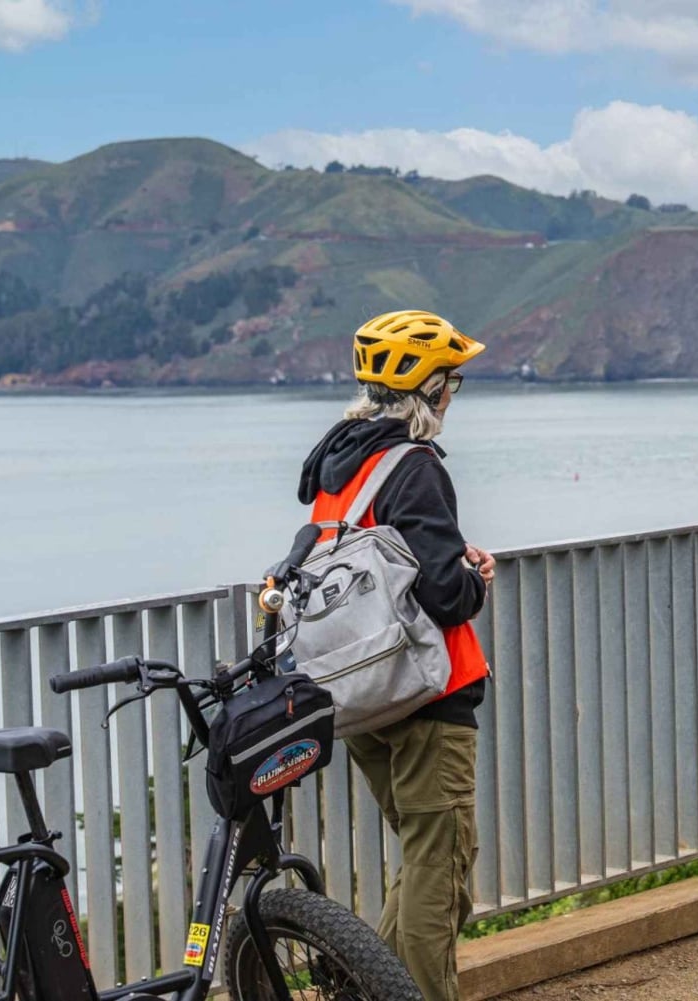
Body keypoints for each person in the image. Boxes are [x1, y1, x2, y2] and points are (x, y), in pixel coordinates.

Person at [296, 309, 494, 1001]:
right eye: (452, 382)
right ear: (430, 387)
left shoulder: (336, 461)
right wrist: (475, 579)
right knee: (440, 877)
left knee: (422, 858)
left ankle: (362, 989)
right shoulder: (414, 466)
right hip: (429, 697)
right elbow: (445, 593)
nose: (452, 395)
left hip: (360, 692)